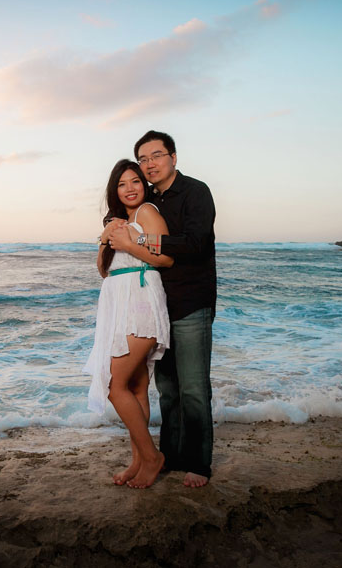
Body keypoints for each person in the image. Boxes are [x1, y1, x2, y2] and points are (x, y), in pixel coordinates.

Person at [108, 131, 216, 488]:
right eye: (144, 158)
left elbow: (195, 243)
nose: (150, 163)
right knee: (167, 389)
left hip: (191, 302)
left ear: (173, 157)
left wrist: (137, 239)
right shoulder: (148, 201)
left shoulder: (195, 192)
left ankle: (199, 464)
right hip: (158, 304)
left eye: (157, 155)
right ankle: (169, 456)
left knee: (194, 389)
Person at [83, 159, 175, 489]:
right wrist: (107, 239)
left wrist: (127, 243)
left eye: (135, 181)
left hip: (140, 301)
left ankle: (152, 456)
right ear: (115, 190)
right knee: (136, 387)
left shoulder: (148, 212)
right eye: (122, 184)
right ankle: (138, 460)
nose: (130, 188)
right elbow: (103, 270)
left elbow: (166, 258)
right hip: (118, 303)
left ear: (143, 185)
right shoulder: (118, 221)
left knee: (114, 385)